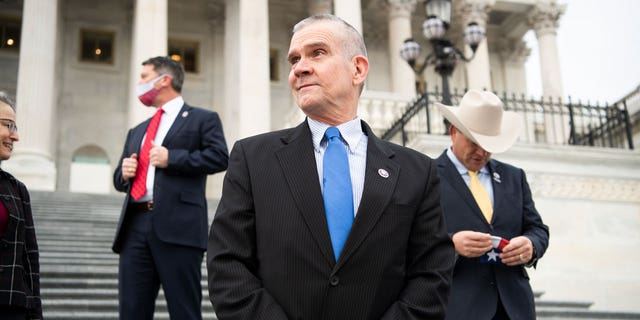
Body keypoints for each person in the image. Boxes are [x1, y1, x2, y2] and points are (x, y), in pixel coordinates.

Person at [207, 14, 454, 320]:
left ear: (358, 69)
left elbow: (431, 273)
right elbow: (226, 264)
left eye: (317, 53)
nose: (300, 67)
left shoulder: (417, 170)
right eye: (294, 59)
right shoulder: (252, 157)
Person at [112, 56, 229, 320]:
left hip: (179, 227)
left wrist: (172, 158)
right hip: (134, 226)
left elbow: (221, 157)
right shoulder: (137, 130)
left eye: (144, 76)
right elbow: (120, 179)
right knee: (131, 311)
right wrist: (124, 173)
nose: (139, 83)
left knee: (184, 310)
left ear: (164, 80)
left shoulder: (202, 119)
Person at [435, 89, 550, 320]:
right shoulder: (426, 176)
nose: (482, 152)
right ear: (453, 133)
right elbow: (412, 238)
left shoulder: (514, 177)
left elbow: (538, 229)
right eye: (474, 142)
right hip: (456, 307)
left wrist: (531, 245)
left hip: (515, 308)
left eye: (489, 144)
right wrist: (452, 244)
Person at [0, 92, 42, 320]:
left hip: (11, 307)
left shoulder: (16, 189)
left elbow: (30, 260)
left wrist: (35, 315)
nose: (15, 136)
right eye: (8, 125)